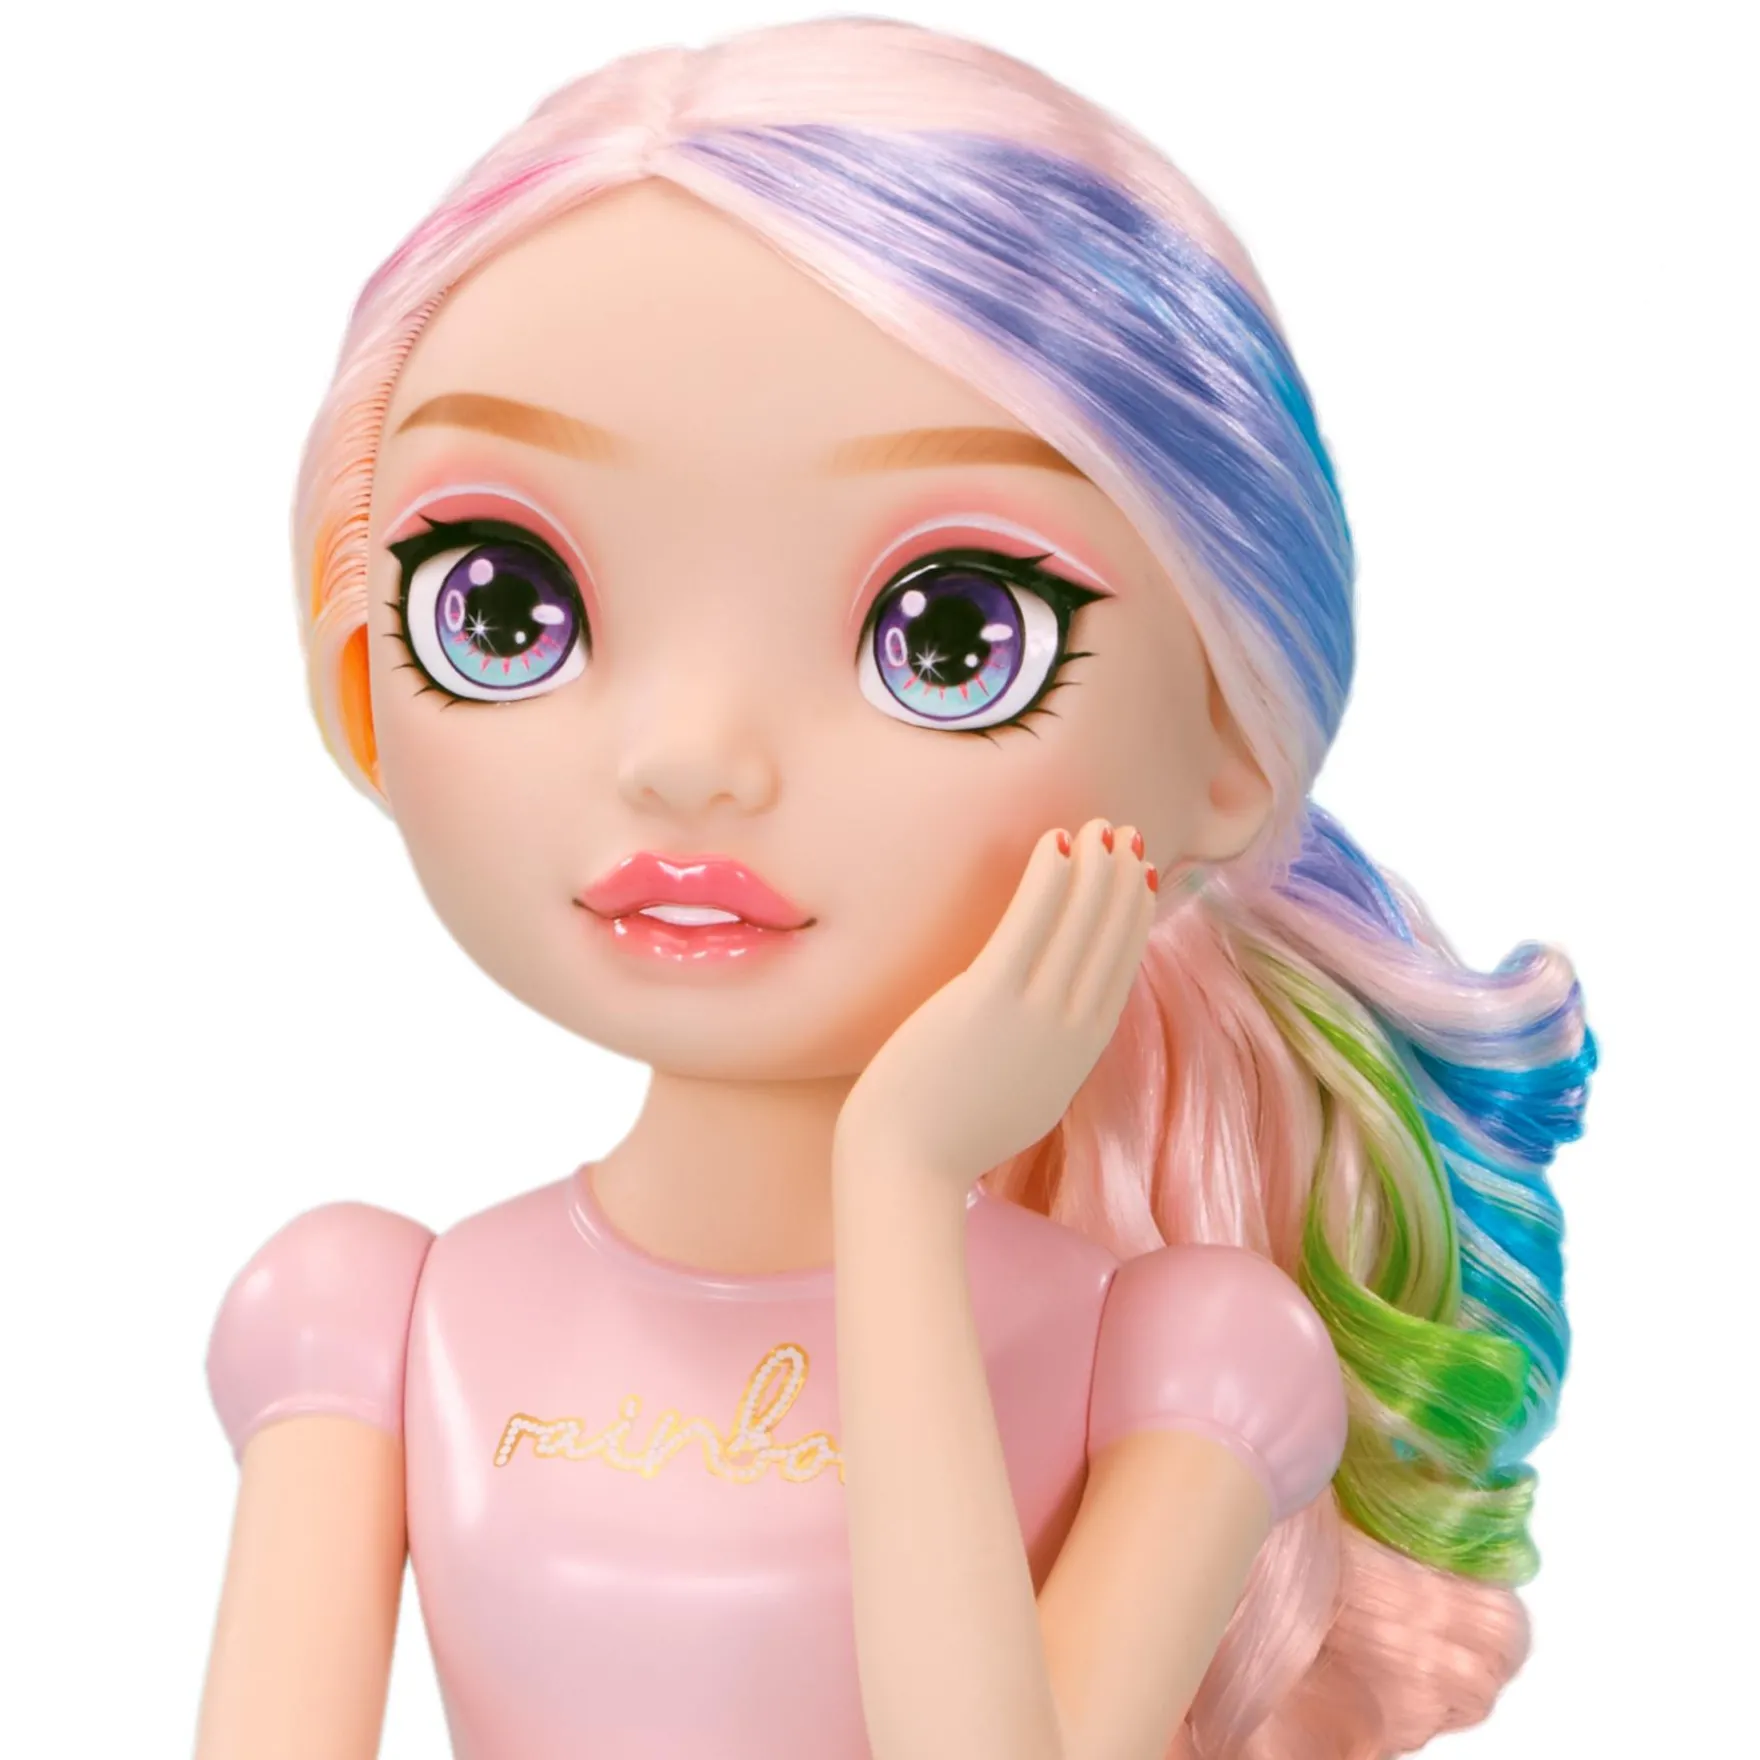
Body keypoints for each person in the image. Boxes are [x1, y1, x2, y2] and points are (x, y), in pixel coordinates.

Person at [195, 18, 1594, 1759]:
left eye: (949, 637)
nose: (692, 760)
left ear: (1231, 749)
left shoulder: (1184, 1362)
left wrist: (906, 1177)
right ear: (359, 680)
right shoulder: (371, 1319)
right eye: (502, 603)